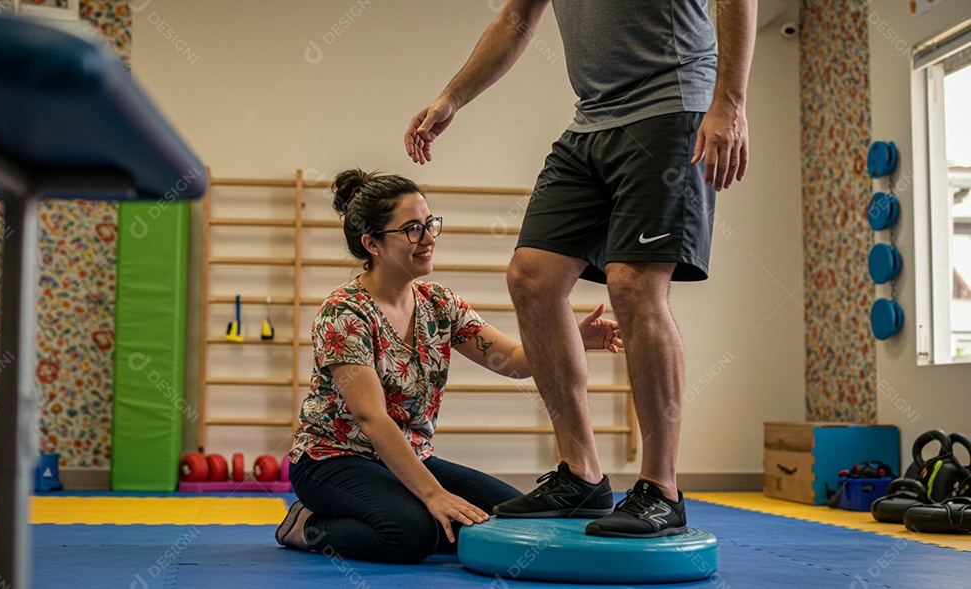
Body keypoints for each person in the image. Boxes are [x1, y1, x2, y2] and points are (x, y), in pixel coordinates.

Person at [405, 0, 755, 537]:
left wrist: (728, 101)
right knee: (531, 277)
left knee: (634, 285)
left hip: (674, 106)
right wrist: (453, 97)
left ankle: (661, 489)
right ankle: (581, 475)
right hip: (592, 121)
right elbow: (512, 23)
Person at [275, 169, 625, 563]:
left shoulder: (439, 303)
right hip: (333, 459)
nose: (428, 239)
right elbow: (371, 418)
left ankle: (415, 512)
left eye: (429, 224)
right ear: (371, 243)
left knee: (510, 520)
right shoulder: (344, 312)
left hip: (409, 455)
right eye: (411, 229)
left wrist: (574, 338)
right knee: (409, 535)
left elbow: (512, 361)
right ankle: (306, 525)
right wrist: (433, 494)